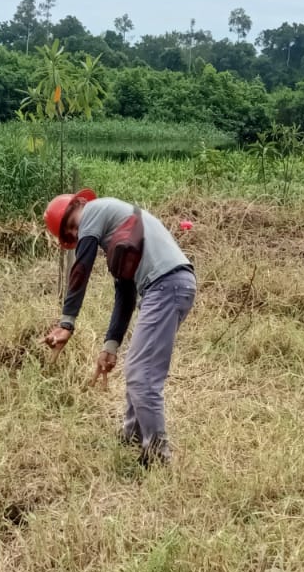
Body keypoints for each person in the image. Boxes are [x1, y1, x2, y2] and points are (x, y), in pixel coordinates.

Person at [41, 190, 197, 465]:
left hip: (166, 285)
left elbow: (81, 266)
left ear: (79, 204)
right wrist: (110, 346)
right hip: (169, 286)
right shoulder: (119, 229)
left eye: (72, 225)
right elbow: (125, 294)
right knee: (138, 368)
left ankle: (158, 456)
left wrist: (67, 322)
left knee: (142, 375)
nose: (78, 232)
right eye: (71, 233)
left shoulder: (94, 210)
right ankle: (132, 436)